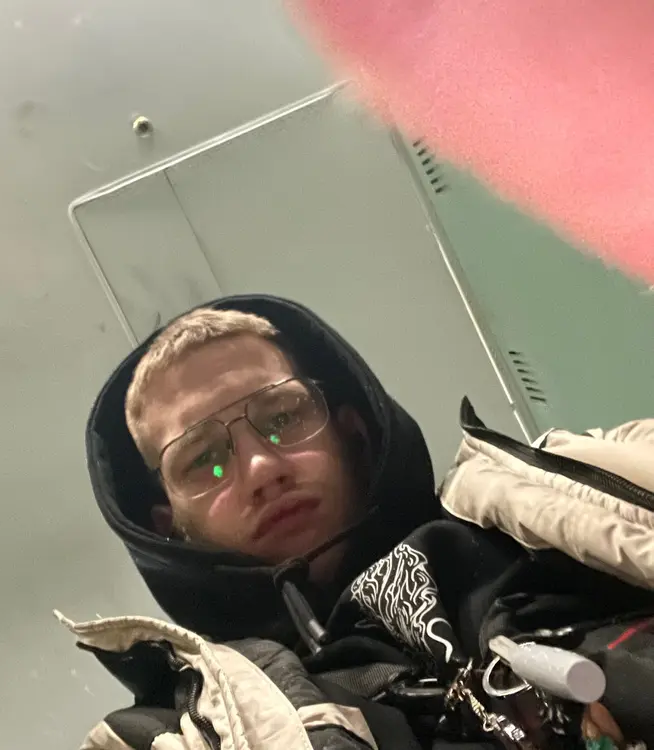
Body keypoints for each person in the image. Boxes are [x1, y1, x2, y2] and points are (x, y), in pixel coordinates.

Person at [72, 294, 653, 750]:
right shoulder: (187, 733)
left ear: (353, 430)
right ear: (168, 525)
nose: (261, 468)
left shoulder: (560, 492)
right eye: (204, 459)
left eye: (282, 417)